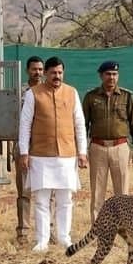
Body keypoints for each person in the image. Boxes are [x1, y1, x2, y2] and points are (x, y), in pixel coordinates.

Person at [17, 56, 87, 252]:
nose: (57, 76)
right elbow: (25, 125)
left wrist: (82, 151)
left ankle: (64, 237)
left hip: (67, 154)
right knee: (41, 200)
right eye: (53, 73)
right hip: (40, 155)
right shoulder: (33, 94)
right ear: (46, 73)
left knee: (65, 199)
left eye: (60, 73)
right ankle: (42, 240)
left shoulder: (72, 93)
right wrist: (24, 152)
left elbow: (79, 124)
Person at [82, 60, 133, 223]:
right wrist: (81, 150)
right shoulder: (91, 97)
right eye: (108, 74)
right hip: (97, 147)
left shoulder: (127, 96)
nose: (111, 77)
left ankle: (125, 227)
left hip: (120, 147)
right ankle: (98, 228)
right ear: (101, 76)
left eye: (115, 74)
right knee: (97, 191)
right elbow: (83, 125)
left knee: (122, 192)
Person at [12, 55, 44, 243]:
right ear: (27, 71)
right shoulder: (20, 93)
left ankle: (47, 231)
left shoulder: (49, 91)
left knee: (47, 191)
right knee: (24, 191)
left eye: (40, 69)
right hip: (24, 146)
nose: (38, 73)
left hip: (44, 147)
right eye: (34, 69)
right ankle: (23, 232)